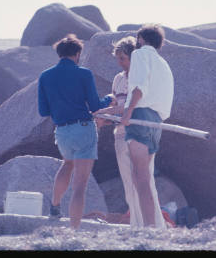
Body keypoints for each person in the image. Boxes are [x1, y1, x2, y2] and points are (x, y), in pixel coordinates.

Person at [38, 34, 115, 229]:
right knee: (80, 185)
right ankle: (74, 230)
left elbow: (43, 111)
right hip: (83, 129)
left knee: (67, 165)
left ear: (59, 54)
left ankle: (55, 207)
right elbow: (96, 106)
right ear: (78, 53)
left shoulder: (45, 76)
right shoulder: (84, 73)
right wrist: (109, 99)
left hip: (62, 132)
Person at [94, 36, 167, 229]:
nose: (120, 63)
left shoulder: (141, 78)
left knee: (144, 180)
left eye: (123, 58)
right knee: (129, 184)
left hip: (139, 133)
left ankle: (154, 226)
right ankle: (137, 224)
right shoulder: (118, 79)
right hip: (120, 135)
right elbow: (118, 105)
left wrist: (107, 111)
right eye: (117, 58)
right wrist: (105, 115)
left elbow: (129, 106)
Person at [121, 24, 174, 228]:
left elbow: (139, 86)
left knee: (140, 176)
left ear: (141, 39)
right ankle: (150, 224)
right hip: (156, 121)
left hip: (140, 115)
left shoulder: (140, 54)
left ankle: (149, 227)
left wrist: (128, 112)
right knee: (144, 176)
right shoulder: (163, 63)